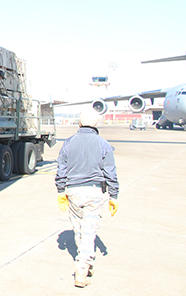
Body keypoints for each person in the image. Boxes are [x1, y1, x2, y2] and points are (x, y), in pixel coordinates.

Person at [55, 109, 119, 288]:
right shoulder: (103, 144)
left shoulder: (69, 143)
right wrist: (113, 195)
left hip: (73, 191)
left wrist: (61, 191)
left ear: (80, 124)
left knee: (78, 228)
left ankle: (85, 260)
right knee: (89, 230)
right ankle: (82, 269)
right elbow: (110, 173)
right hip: (94, 192)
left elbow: (61, 169)